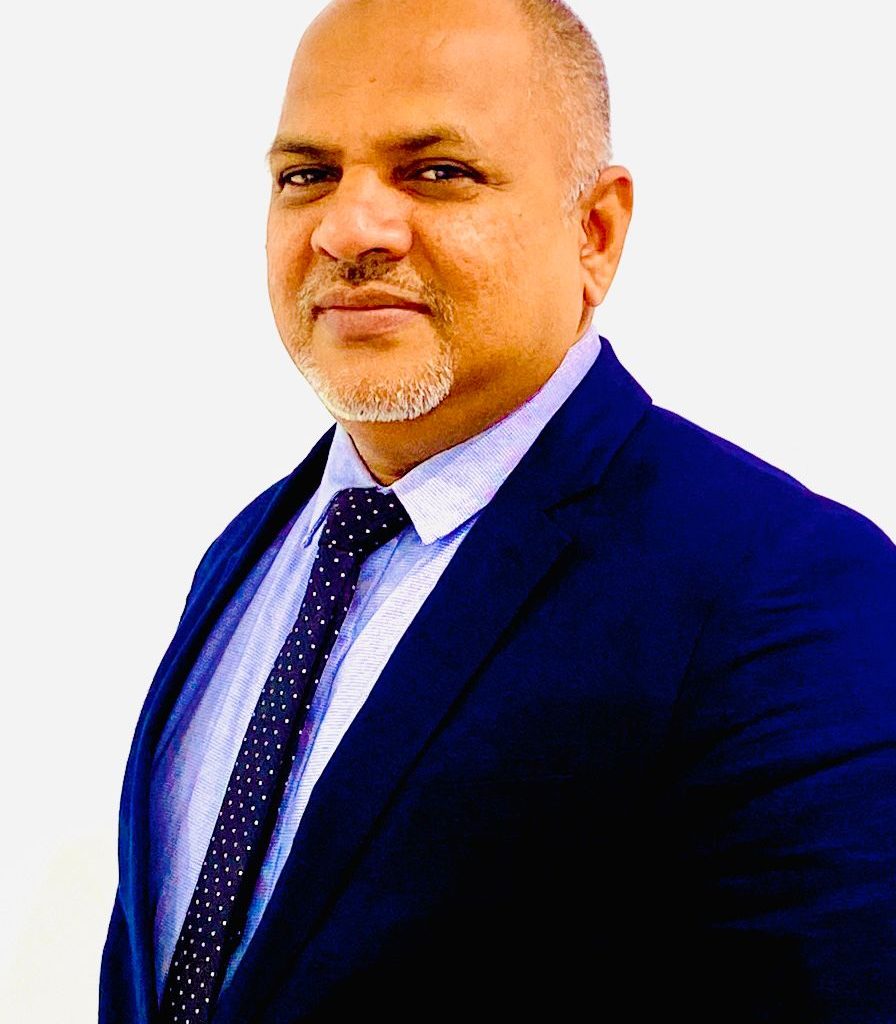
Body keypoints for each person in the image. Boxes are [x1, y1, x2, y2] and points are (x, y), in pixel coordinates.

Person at [100, 0, 896, 1021]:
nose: (348, 228)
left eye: (436, 171)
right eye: (307, 175)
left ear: (595, 232)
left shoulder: (788, 589)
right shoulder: (252, 553)